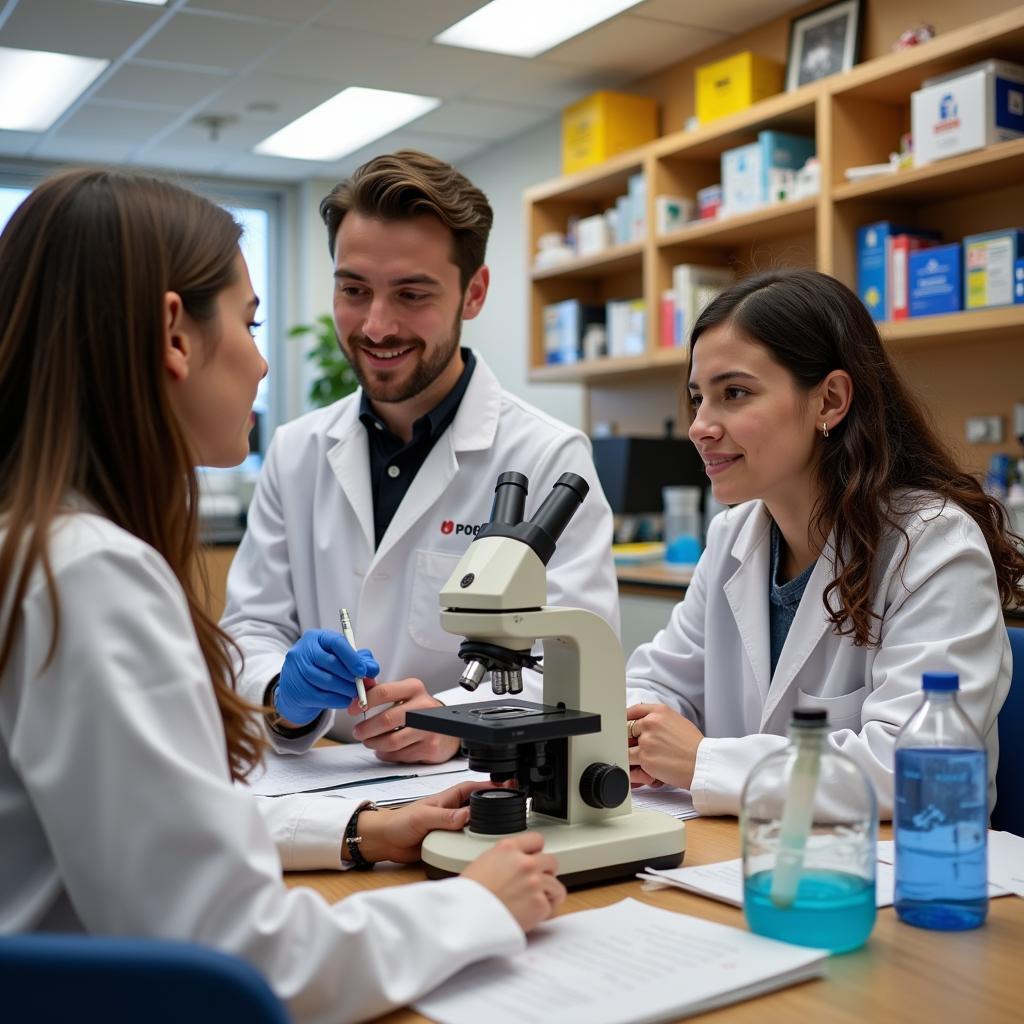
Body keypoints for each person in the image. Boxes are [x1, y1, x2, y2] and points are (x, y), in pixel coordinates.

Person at [0, 168, 566, 1022]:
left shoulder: (36, 549)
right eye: (251, 321)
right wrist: (476, 906)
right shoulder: (86, 574)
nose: (264, 359)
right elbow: (232, 949)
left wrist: (362, 829)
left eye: (410, 292)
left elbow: (142, 831)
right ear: (174, 335)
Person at [221, 150, 618, 763]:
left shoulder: (546, 456)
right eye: (354, 289)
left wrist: (458, 720)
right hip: (317, 784)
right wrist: (283, 692)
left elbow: (579, 664)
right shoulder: (296, 449)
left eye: (411, 294)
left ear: (474, 293)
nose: (376, 326)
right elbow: (251, 629)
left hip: (474, 785)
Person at [625, 269, 1020, 817]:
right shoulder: (732, 538)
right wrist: (638, 731)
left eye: (734, 393)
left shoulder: (932, 545)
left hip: (894, 871)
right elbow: (656, 681)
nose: (700, 426)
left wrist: (703, 762)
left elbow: (918, 765)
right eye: (698, 399)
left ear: (829, 400)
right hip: (748, 852)